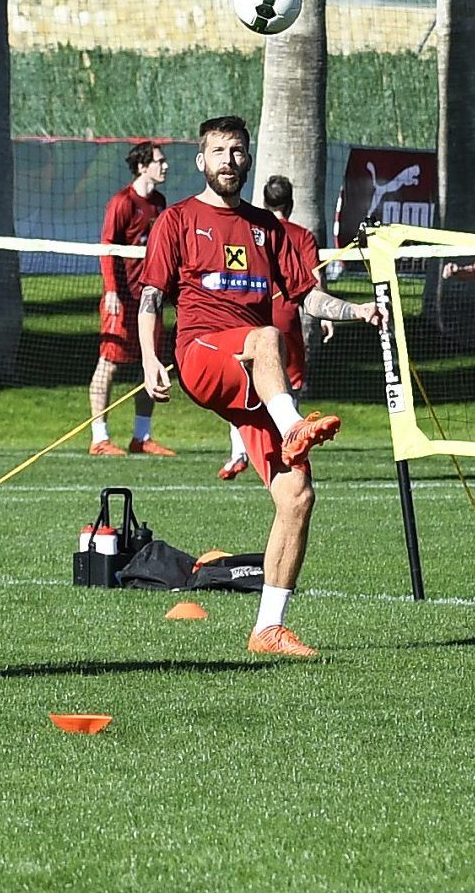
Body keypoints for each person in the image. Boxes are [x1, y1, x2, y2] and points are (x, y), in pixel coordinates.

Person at [138, 116, 379, 657]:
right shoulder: (177, 219)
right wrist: (152, 358)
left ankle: (268, 627)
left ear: (248, 160)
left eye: (238, 151)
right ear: (201, 161)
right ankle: (294, 426)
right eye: (218, 151)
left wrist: (358, 309)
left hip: (255, 375)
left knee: (298, 497)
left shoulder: (269, 230)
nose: (229, 159)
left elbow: (307, 296)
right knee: (268, 336)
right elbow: (152, 297)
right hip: (202, 354)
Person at [220, 174, 330, 481]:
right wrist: (323, 317)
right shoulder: (301, 235)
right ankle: (289, 446)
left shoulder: (253, 228)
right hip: (286, 321)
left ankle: (239, 451)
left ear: (264, 202)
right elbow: (313, 281)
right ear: (291, 204)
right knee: (289, 386)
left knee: (243, 387)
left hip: (253, 318)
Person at [89, 141, 175, 457]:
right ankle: (99, 438)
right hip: (122, 299)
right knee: (108, 364)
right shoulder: (122, 202)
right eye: (159, 161)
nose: (165, 166)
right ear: (142, 166)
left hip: (149, 299)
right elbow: (107, 247)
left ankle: (142, 437)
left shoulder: (160, 203)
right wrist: (112, 290)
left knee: (150, 366)